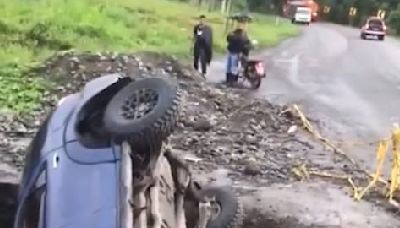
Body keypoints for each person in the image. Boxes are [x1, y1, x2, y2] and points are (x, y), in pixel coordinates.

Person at [225, 16, 251, 86]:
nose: (239, 25)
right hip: (231, 51)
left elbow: (243, 43)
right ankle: (228, 80)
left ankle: (233, 80)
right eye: (239, 24)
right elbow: (228, 38)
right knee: (229, 66)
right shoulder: (234, 32)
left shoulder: (243, 35)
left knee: (233, 67)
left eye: (241, 24)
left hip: (236, 52)